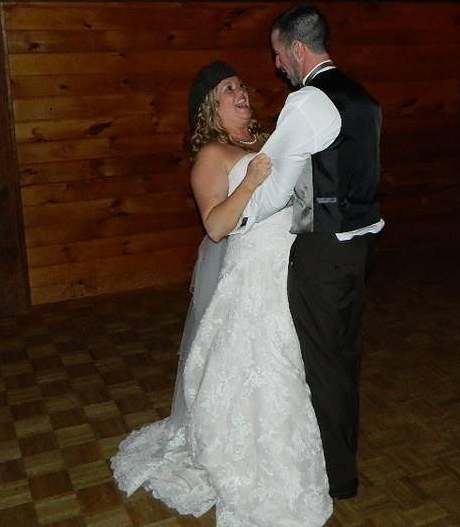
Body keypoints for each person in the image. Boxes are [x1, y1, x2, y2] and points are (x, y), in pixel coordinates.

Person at [110, 61, 333, 527]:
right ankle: (250, 460)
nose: (242, 91)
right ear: (211, 105)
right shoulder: (211, 155)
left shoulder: (266, 139)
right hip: (252, 276)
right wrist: (251, 181)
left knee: (293, 362)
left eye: (241, 84)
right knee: (264, 367)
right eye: (229, 87)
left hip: (290, 268)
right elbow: (215, 226)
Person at [233, 5, 383, 500]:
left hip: (323, 251)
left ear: (297, 49)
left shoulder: (307, 101)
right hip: (362, 244)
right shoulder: (363, 97)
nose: (277, 66)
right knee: (344, 353)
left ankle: (338, 476)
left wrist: (240, 218)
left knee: (322, 360)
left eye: (278, 55)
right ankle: (340, 451)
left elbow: (274, 183)